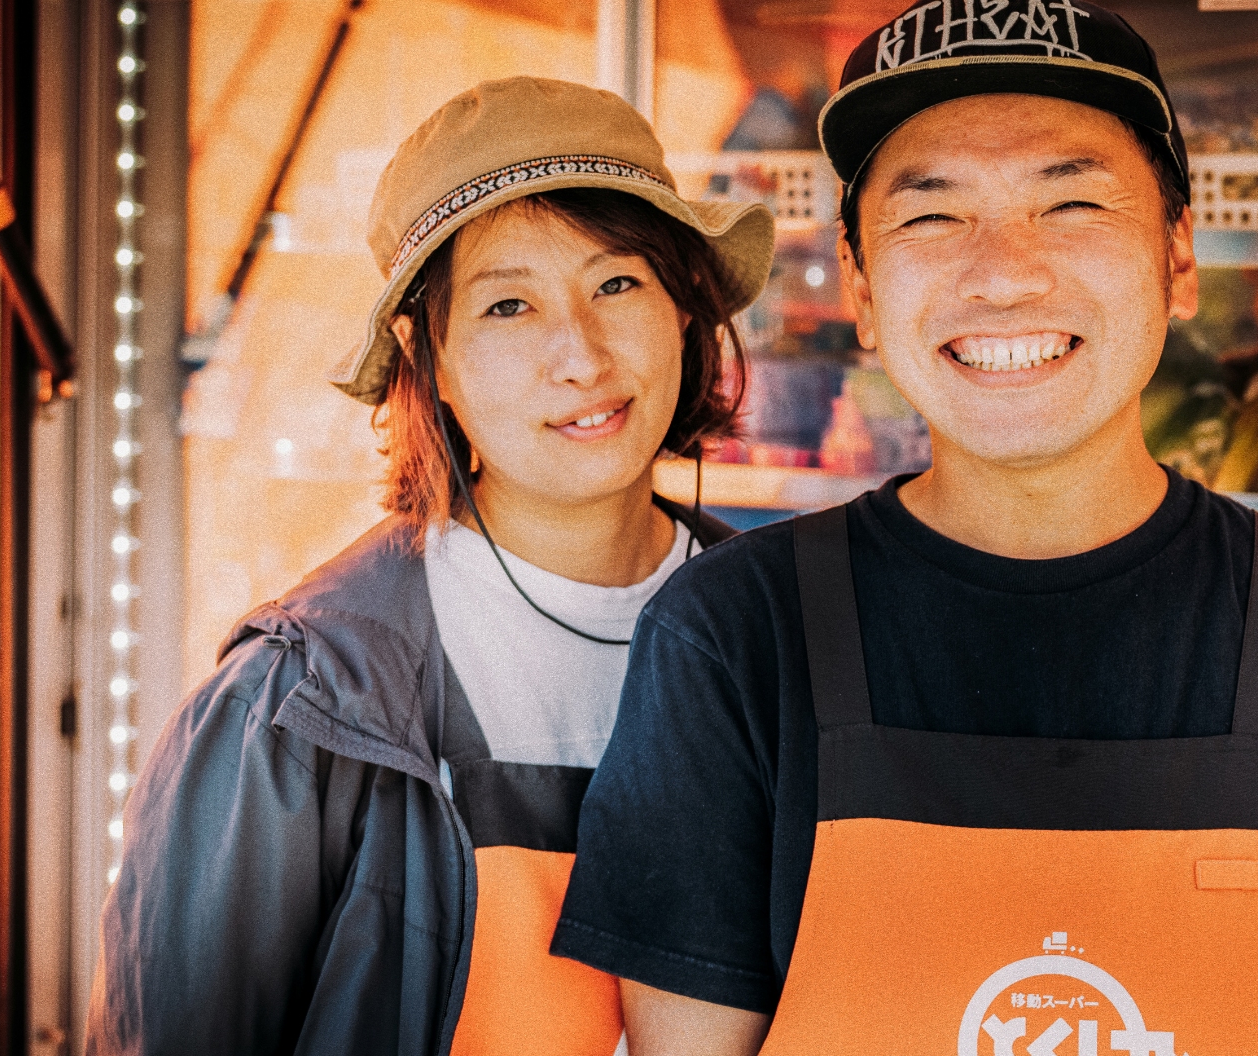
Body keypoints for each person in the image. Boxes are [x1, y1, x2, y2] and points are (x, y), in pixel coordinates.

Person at [553, 5, 1258, 1054]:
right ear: (857, 283)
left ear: (1177, 262)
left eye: (1069, 203)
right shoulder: (731, 638)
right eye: (930, 217)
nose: (1003, 273)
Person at [87, 76, 774, 1056]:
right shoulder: (301, 703)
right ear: (431, 359)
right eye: (506, 306)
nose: (577, 354)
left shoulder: (785, 641)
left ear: (685, 310)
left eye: (617, 283)